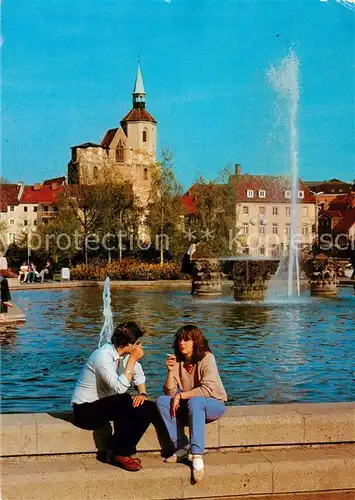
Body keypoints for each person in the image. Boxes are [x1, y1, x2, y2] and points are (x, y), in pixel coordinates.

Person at [71, 321, 157, 472]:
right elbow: (119, 388)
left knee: (148, 407)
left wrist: (142, 394)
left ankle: (118, 449)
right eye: (137, 343)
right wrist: (132, 360)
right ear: (127, 344)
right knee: (123, 399)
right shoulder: (103, 356)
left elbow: (138, 375)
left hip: (106, 408)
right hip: (85, 411)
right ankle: (121, 453)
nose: (139, 347)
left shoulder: (122, 355)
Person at [156, 325, 227, 483]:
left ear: (196, 342)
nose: (182, 343)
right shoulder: (178, 361)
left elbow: (207, 389)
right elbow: (169, 392)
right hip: (191, 404)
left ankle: (197, 455)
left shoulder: (207, 358)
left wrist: (180, 395)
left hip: (213, 404)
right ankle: (182, 446)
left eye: (186, 339)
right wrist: (169, 371)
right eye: (180, 339)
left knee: (195, 401)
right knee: (161, 401)